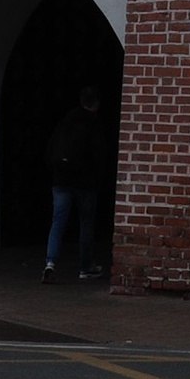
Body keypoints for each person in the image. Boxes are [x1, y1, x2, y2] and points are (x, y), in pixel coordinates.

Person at [43, 83, 110, 285]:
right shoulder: (94, 125)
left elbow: (49, 150)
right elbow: (100, 156)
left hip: (61, 181)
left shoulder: (65, 121)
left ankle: (50, 263)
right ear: (96, 104)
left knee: (58, 222)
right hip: (85, 184)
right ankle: (85, 267)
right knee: (86, 224)